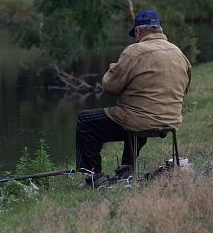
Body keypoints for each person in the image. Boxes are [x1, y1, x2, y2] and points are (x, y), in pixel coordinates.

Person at [76, 10, 192, 188]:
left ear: (138, 32)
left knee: (85, 121)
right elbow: (185, 89)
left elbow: (110, 86)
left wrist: (113, 69)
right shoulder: (178, 53)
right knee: (137, 109)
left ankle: (94, 177)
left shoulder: (135, 52)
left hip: (141, 120)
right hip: (171, 119)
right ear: (159, 29)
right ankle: (126, 169)